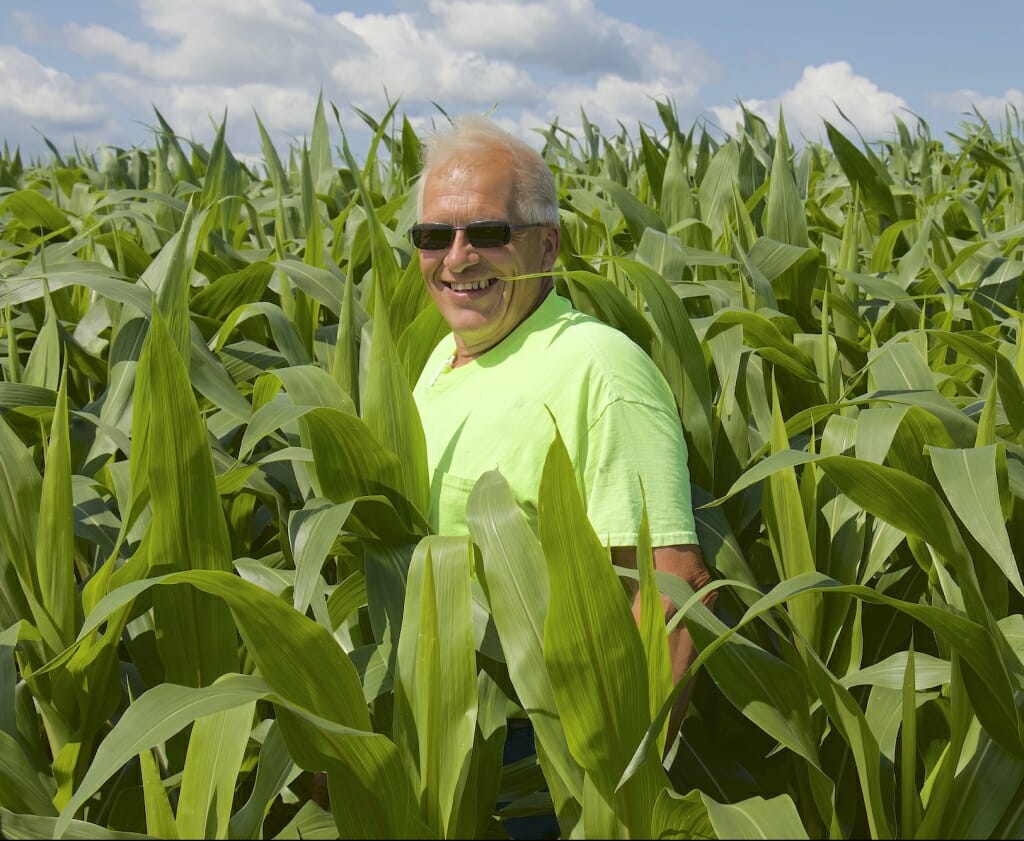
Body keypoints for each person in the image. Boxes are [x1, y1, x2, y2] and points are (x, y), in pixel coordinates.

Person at [408, 115, 714, 829]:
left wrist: (612, 806)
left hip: (540, 766)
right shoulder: (437, 363)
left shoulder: (598, 369)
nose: (456, 258)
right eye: (433, 236)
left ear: (548, 242)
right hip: (436, 745)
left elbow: (671, 593)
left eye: (487, 232)